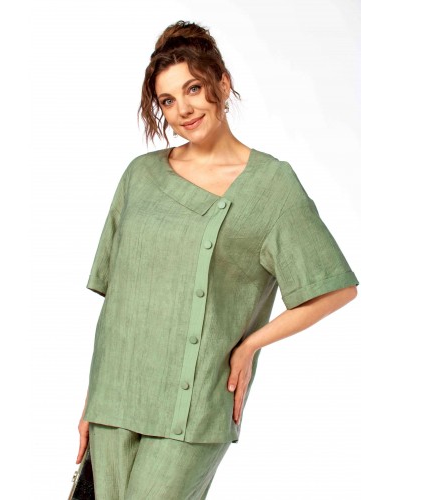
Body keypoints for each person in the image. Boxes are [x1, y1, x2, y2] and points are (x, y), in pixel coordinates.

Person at [75, 19, 359, 500]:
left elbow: (335, 287)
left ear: (222, 84)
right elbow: (119, 306)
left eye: (193, 89)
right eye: (167, 100)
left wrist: (250, 346)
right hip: (115, 399)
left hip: (194, 405)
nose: (183, 109)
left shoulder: (271, 185)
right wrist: (91, 402)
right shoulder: (139, 176)